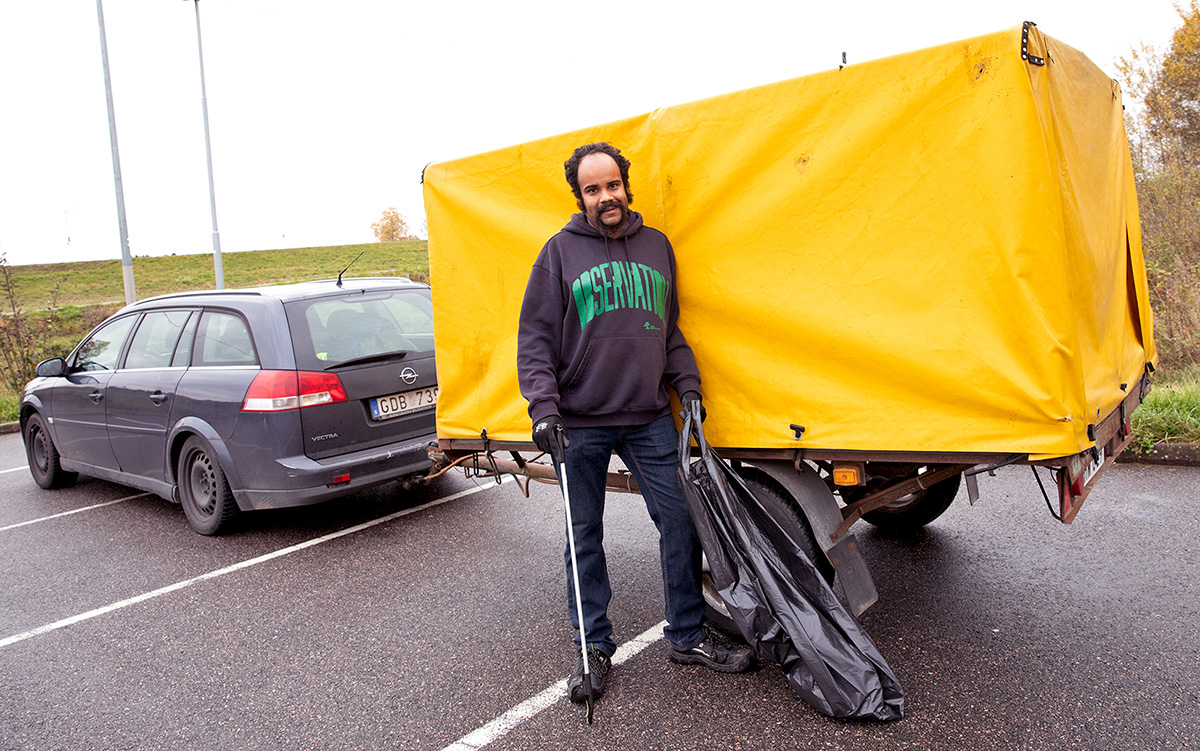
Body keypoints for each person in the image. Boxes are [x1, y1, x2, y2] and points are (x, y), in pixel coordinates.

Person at [517, 142, 754, 705]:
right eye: (593, 189)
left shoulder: (657, 247)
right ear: (580, 197)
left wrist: (688, 385)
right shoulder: (558, 254)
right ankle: (593, 648)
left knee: (681, 521)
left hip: (649, 414)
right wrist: (544, 408)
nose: (607, 197)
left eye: (613, 185)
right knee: (585, 537)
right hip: (580, 421)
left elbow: (668, 329)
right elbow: (535, 341)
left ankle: (687, 635)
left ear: (627, 185)